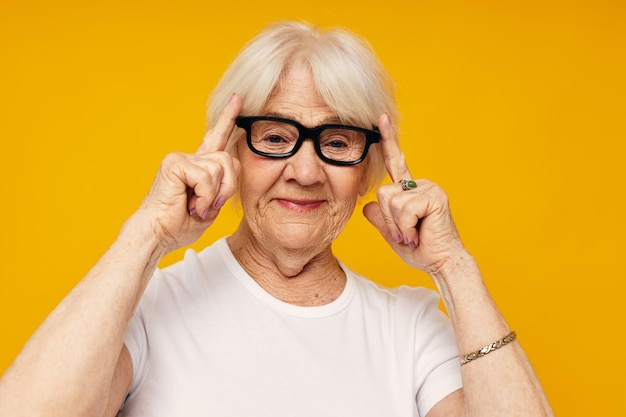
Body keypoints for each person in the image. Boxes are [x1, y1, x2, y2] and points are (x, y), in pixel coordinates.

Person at [0, 21, 553, 417]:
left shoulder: (411, 331)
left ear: (367, 172)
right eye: (276, 138)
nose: (306, 171)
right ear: (232, 155)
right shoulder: (149, 308)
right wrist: (148, 234)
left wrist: (454, 267)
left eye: (337, 141)